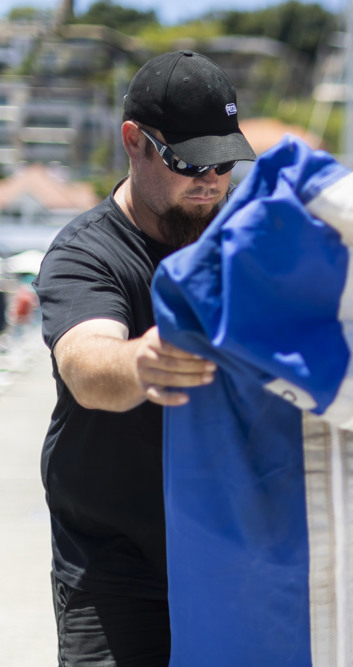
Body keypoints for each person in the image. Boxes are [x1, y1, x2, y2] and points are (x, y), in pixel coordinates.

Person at [32, 51, 256, 666]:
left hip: (229, 553)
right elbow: (86, 362)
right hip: (114, 566)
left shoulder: (241, 240)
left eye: (224, 161)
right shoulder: (88, 253)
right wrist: (142, 363)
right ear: (135, 142)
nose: (210, 180)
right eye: (189, 161)